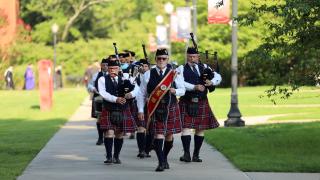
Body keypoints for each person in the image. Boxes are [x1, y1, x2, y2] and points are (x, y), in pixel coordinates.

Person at [137, 48, 185, 172]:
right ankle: (160, 162)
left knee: (169, 136)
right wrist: (141, 110)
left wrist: (175, 91)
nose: (161, 60)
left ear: (167, 59)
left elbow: (183, 89)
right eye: (159, 58)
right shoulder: (148, 74)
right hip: (155, 108)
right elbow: (141, 94)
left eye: (164, 58)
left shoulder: (174, 73)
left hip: (171, 107)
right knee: (158, 134)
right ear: (155, 60)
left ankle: (164, 158)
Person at [178, 47, 221, 163]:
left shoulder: (205, 67)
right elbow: (179, 82)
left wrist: (212, 82)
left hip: (202, 100)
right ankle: (186, 154)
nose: (192, 59)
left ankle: (196, 155)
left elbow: (218, 77)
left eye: (194, 56)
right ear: (187, 57)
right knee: (186, 127)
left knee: (200, 129)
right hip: (187, 100)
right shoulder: (181, 68)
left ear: (198, 57)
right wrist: (194, 87)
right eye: (190, 57)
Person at [98, 60, 138, 164]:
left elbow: (136, 88)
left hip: (123, 109)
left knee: (119, 134)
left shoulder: (125, 78)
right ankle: (109, 156)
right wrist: (115, 99)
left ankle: (116, 156)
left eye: (114, 68)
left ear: (118, 69)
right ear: (107, 69)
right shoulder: (102, 79)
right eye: (110, 68)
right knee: (109, 133)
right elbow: (103, 93)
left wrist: (131, 94)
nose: (112, 70)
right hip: (109, 108)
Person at [87, 58, 109, 145]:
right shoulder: (96, 75)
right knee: (99, 119)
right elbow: (89, 85)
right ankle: (100, 138)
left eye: (107, 65)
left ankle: (108, 136)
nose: (105, 67)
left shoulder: (113, 75)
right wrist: (93, 88)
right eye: (103, 65)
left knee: (108, 118)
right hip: (98, 98)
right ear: (101, 66)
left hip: (109, 99)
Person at [134, 59, 152, 158]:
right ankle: (141, 150)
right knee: (141, 127)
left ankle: (147, 150)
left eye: (146, 66)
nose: (144, 68)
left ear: (148, 67)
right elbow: (136, 90)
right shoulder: (136, 76)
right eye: (142, 66)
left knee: (149, 128)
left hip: (152, 104)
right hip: (140, 103)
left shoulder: (152, 75)